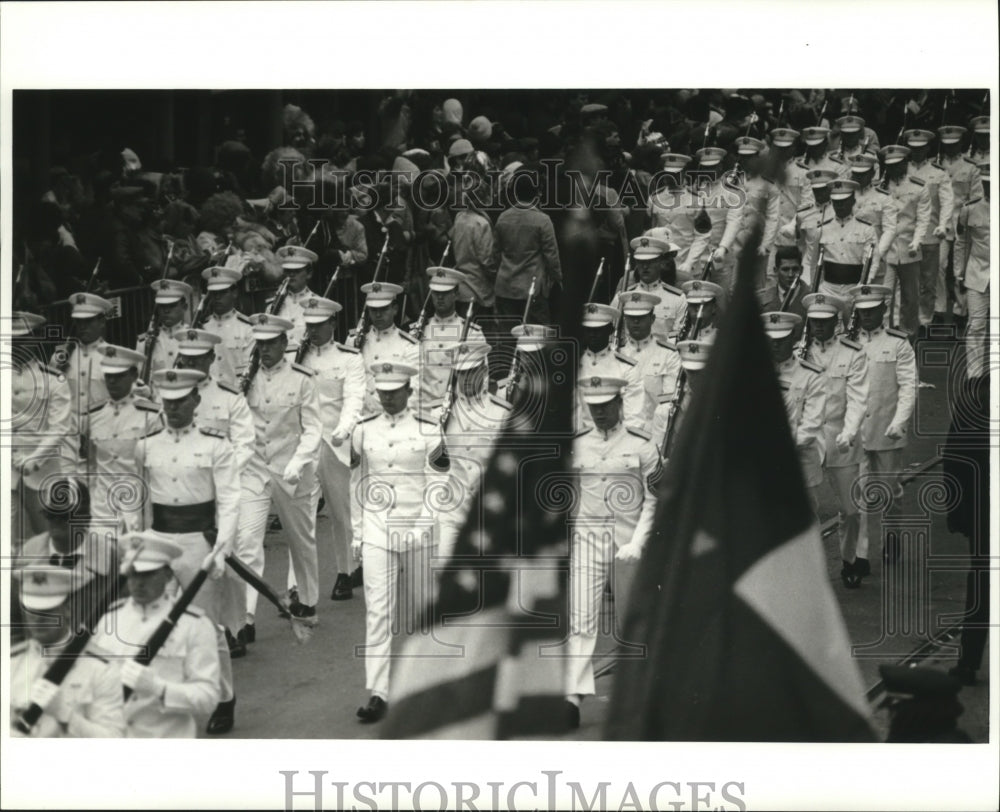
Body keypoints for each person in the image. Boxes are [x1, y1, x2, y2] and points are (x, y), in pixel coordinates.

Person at [135, 368, 243, 735]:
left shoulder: (216, 443)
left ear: (196, 401)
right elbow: (140, 502)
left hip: (200, 543)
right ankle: (163, 698)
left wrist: (222, 550)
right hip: (159, 544)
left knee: (209, 628)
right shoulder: (147, 444)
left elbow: (230, 499)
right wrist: (139, 545)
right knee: (155, 625)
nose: (174, 408)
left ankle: (224, 699)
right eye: (168, 402)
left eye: (181, 401)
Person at [350, 362, 450, 723]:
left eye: (395, 391)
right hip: (378, 529)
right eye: (383, 392)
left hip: (419, 527)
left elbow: (439, 483)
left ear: (409, 390)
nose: (389, 398)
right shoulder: (362, 431)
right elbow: (357, 484)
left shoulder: (429, 429)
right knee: (377, 611)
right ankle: (379, 692)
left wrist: (422, 526)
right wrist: (358, 532)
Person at [564, 376, 661, 728]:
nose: (600, 414)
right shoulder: (576, 445)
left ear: (620, 403)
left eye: (606, 406)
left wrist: (638, 542)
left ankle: (641, 694)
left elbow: (654, 499)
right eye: (594, 408)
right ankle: (572, 698)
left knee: (633, 621)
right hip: (587, 540)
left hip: (628, 541)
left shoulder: (643, 444)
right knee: (581, 619)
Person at [237, 314, 323, 633]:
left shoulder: (302, 378)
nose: (266, 349)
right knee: (247, 540)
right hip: (254, 469)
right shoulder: (245, 378)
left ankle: (307, 600)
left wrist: (300, 460)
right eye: (260, 344)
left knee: (300, 540)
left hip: (292, 469)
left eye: (271, 343)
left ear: (284, 343)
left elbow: (313, 428)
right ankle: (245, 617)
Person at [91, 533, 221, 738]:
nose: (138, 583)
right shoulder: (107, 621)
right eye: (133, 573)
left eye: (148, 574)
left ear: (168, 575)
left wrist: (159, 688)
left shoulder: (194, 625)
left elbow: (208, 698)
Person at [297, 297, 366, 602]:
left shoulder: (349, 358)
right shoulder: (297, 358)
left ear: (332, 324)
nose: (312, 330)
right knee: (300, 516)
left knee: (342, 514)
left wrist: (344, 430)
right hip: (303, 445)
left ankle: (346, 570)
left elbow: (353, 398)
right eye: (309, 325)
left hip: (334, 442)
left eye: (319, 325)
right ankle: (296, 587)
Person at [800, 293, 870, 587]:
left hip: (841, 436)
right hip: (808, 440)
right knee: (806, 511)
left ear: (836, 322)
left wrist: (850, 431)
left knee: (851, 510)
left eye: (824, 322)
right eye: (814, 321)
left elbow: (857, 399)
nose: (818, 327)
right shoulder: (798, 354)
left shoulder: (852, 353)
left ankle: (850, 559)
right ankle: (812, 571)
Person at [10, 565, 126, 738]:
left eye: (47, 610)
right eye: (31, 610)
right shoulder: (11, 660)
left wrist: (66, 715)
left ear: (67, 610)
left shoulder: (101, 667)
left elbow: (113, 739)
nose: (38, 618)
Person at [851, 284, 917, 571]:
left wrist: (899, 422)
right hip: (855, 432)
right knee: (859, 493)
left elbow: (908, 386)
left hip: (887, 428)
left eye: (872, 311)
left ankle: (891, 535)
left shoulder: (899, 343)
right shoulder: (848, 343)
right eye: (862, 311)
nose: (866, 316)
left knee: (890, 491)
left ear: (883, 310)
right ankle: (861, 554)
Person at [431, 342, 511, 563]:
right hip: (451, 512)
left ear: (484, 371)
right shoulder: (438, 413)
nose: (466, 379)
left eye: (472, 372)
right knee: (444, 574)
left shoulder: (501, 413)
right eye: (461, 373)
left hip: (487, 513)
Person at [9, 312, 76, 542]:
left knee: (47, 538)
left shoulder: (53, 379)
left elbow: (59, 428)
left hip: (41, 470)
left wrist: (34, 458)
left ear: (35, 339)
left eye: (23, 339)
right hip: (7, 472)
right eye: (11, 340)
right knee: (9, 539)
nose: (16, 345)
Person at [84, 344, 162, 532]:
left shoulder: (149, 415)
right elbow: (91, 464)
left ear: (134, 376)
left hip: (137, 508)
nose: (112, 382)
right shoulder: (94, 415)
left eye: (119, 376)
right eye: (109, 376)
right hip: (101, 509)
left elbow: (157, 470)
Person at [943, 372, 989, 686]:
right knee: (983, 587)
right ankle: (969, 660)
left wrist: (958, 513)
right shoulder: (977, 392)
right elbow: (956, 454)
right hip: (985, 511)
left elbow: (954, 456)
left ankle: (969, 662)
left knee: (982, 587)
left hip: (983, 512)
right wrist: (959, 512)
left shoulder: (977, 390)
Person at [762, 312, 827, 513]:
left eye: (781, 340)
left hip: (800, 461)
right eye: (771, 340)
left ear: (792, 338)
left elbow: (812, 423)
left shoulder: (811, 375)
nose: (775, 345)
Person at [492, 167, 562, 325]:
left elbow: (495, 255)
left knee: (508, 340)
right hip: (533, 289)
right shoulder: (543, 220)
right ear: (536, 194)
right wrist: (558, 279)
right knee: (535, 339)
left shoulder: (503, 218)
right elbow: (552, 257)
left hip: (505, 288)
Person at [412, 267, 488, 410]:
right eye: (436, 293)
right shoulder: (418, 332)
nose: (440, 298)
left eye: (445, 293)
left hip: (457, 410)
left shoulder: (472, 333)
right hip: (423, 410)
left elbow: (482, 379)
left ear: (456, 294)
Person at [902, 129, 955, 333]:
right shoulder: (901, 171)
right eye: (913, 148)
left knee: (928, 282)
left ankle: (925, 319)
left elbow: (947, 201)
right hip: (906, 235)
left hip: (930, 235)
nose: (916, 152)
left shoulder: (938, 173)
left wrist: (944, 225)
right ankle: (907, 320)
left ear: (927, 148)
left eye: (921, 148)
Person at [879, 144, 932, 339]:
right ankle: (883, 335)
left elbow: (923, 218)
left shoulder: (918, 186)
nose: (894, 168)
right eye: (890, 165)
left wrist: (917, 240)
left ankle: (908, 335)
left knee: (911, 297)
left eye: (898, 164)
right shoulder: (881, 187)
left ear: (905, 163)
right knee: (884, 296)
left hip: (910, 248)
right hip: (888, 250)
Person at [616, 291, 681, 446]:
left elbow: (667, 407)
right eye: (631, 318)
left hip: (653, 435)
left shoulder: (668, 355)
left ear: (652, 319)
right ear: (625, 319)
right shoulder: (615, 354)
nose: (636, 322)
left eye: (641, 318)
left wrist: (655, 446)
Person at [936, 126, 983, 327]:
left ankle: (960, 310)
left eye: (954, 145)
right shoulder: (936, 165)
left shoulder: (971, 167)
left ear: (961, 144)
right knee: (938, 265)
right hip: (943, 223)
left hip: (962, 223)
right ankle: (938, 308)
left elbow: (976, 197)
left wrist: (968, 221)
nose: (951, 149)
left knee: (960, 269)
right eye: (947, 145)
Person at [354, 281, 420, 416]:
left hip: (391, 419)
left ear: (395, 309)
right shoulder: (355, 341)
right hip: (360, 419)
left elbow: (413, 390)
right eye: (373, 310)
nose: (378, 315)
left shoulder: (409, 345)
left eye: (383, 309)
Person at [576, 302, 644, 432]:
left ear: (610, 330)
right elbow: (574, 413)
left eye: (598, 329)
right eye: (588, 330)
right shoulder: (575, 367)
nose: (593, 334)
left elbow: (634, 417)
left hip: (618, 440)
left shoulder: (627, 367)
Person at [610, 236, 686, 342]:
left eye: (651, 261)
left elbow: (677, 335)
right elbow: (612, 332)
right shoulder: (622, 296)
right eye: (641, 262)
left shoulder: (678, 298)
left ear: (660, 263)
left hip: (663, 356)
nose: (645, 266)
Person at [726, 136, 780, 284]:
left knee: (755, 289)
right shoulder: (732, 181)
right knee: (730, 288)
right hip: (733, 243)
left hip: (756, 243)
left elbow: (773, 217)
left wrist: (765, 245)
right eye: (742, 157)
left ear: (757, 158)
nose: (745, 161)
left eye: (749, 157)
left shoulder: (768, 183)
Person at [953, 164, 990, 379]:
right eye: (985, 184)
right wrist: (959, 272)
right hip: (977, 273)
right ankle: (974, 376)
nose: (988, 187)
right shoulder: (970, 209)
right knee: (976, 325)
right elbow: (962, 243)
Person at [55, 292, 113, 425]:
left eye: (88, 320)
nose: (82, 326)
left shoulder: (114, 357)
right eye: (78, 321)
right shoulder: (61, 356)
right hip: (69, 431)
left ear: (102, 322)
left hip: (102, 428)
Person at [815, 179, 879, 298]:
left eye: (844, 201)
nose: (840, 206)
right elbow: (815, 262)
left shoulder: (866, 229)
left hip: (854, 289)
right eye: (836, 202)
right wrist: (816, 289)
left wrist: (863, 285)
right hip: (828, 290)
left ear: (853, 201)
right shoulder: (822, 229)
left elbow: (872, 262)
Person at [200, 266, 255, 387]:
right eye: (214, 293)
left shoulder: (247, 328)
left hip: (236, 396)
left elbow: (249, 369)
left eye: (223, 292)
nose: (218, 297)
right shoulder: (203, 329)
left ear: (234, 293)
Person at [135, 279, 193, 384]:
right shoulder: (145, 341)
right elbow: (140, 379)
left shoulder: (194, 337)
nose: (166, 310)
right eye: (162, 306)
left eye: (172, 305)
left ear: (184, 307)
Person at [849, 154, 898, 278]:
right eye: (856, 173)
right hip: (849, 255)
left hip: (875, 254)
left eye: (862, 174)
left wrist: (876, 254)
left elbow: (890, 229)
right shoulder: (844, 195)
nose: (858, 177)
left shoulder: (883, 198)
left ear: (872, 173)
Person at [272, 245, 321, 347]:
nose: (291, 275)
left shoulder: (319, 305)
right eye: (288, 271)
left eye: (297, 271)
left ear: (309, 274)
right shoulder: (274, 305)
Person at [756, 246, 808, 321]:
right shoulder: (761, 300)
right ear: (776, 271)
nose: (790, 274)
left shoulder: (810, 301)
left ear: (801, 270)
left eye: (795, 269)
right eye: (785, 269)